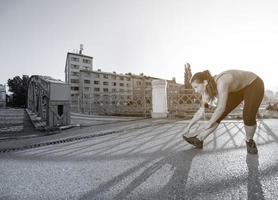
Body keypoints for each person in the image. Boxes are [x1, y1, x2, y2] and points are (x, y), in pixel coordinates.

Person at [182, 69, 264, 154]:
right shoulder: (205, 92)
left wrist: (209, 123)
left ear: (205, 82)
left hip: (253, 84)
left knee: (248, 116)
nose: (195, 91)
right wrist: (188, 127)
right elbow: (200, 112)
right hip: (237, 90)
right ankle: (199, 139)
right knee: (217, 116)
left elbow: (221, 108)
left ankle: (249, 141)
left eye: (196, 87)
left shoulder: (222, 82)